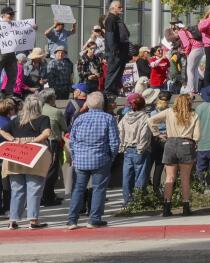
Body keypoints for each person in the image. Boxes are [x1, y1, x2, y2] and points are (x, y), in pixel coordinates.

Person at [65, 92, 120, 229]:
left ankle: (72, 220)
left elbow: (72, 141)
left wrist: (76, 156)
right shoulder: (108, 118)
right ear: (102, 103)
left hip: (81, 159)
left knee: (78, 189)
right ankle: (94, 219)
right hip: (101, 158)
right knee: (99, 189)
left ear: (87, 104)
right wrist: (111, 157)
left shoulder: (79, 119)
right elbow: (114, 142)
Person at [2, 97, 53, 229]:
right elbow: (46, 133)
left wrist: (13, 140)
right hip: (35, 153)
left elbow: (2, 130)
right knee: (34, 188)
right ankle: (33, 220)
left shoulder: (16, 120)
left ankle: (13, 220)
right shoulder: (43, 118)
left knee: (17, 189)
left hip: (16, 152)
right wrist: (34, 141)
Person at [149, 91, 200, 217]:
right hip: (186, 144)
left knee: (169, 178)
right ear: (189, 103)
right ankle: (186, 207)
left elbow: (150, 120)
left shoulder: (169, 112)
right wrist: (193, 142)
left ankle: (166, 207)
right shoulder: (193, 114)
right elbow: (197, 135)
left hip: (170, 143)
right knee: (185, 178)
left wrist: (157, 134)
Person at [117, 92, 153, 207]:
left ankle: (127, 201)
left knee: (127, 176)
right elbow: (144, 134)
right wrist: (141, 148)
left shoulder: (126, 117)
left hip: (127, 149)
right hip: (140, 149)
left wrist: (122, 145)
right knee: (141, 176)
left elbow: (120, 131)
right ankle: (139, 200)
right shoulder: (145, 117)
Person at [102, 0, 131, 101]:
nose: (121, 9)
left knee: (118, 72)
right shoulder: (110, 19)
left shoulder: (116, 19)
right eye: (119, 7)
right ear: (113, 8)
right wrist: (114, 50)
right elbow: (110, 36)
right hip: (115, 52)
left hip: (121, 51)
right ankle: (108, 92)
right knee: (113, 72)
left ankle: (113, 92)